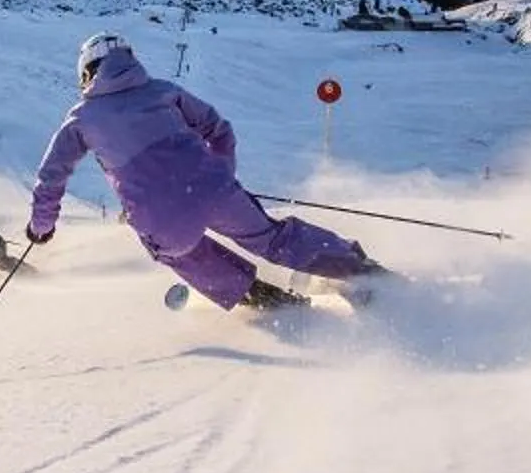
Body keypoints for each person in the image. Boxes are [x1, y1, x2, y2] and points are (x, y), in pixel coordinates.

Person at [27, 32, 381, 312]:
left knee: (179, 253)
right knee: (272, 238)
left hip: (160, 217)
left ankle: (264, 300)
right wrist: (220, 174)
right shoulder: (165, 91)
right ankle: (361, 272)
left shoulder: (81, 119)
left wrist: (41, 228)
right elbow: (218, 128)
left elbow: (51, 177)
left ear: (88, 72)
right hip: (216, 189)